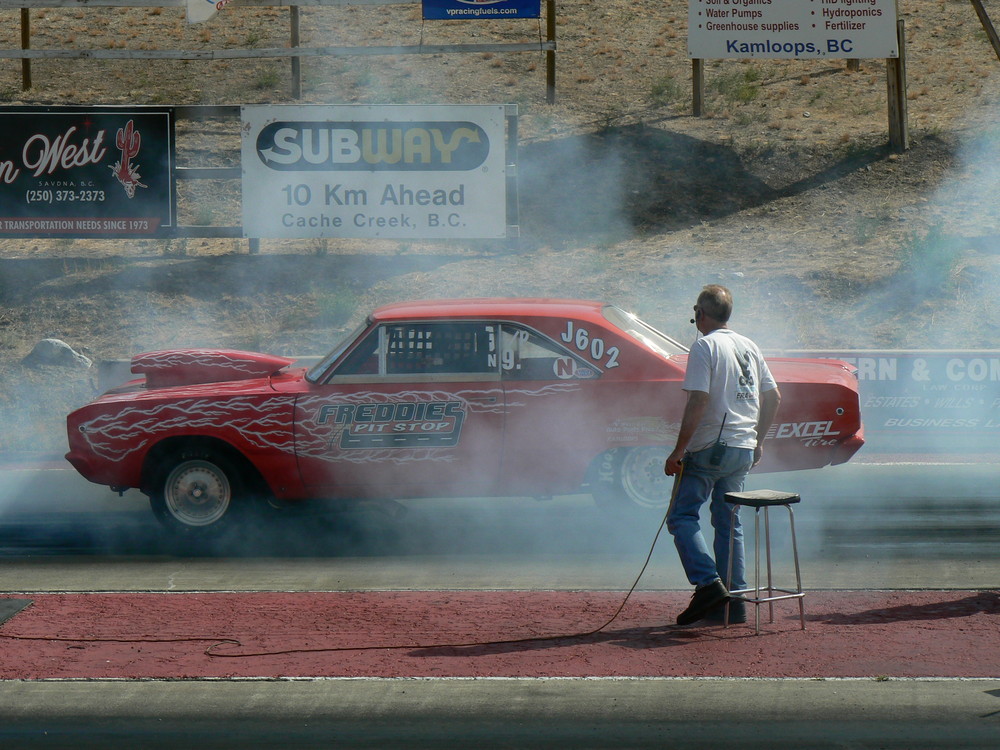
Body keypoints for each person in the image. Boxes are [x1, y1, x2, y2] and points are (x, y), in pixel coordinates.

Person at [664, 284, 781, 626]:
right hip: (743, 446)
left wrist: (678, 450)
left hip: (711, 447)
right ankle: (736, 600)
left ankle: (708, 585)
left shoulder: (704, 346)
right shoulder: (749, 345)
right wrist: (758, 441)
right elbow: (774, 398)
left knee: (681, 517)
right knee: (729, 523)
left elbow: (698, 401)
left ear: (701, 313)